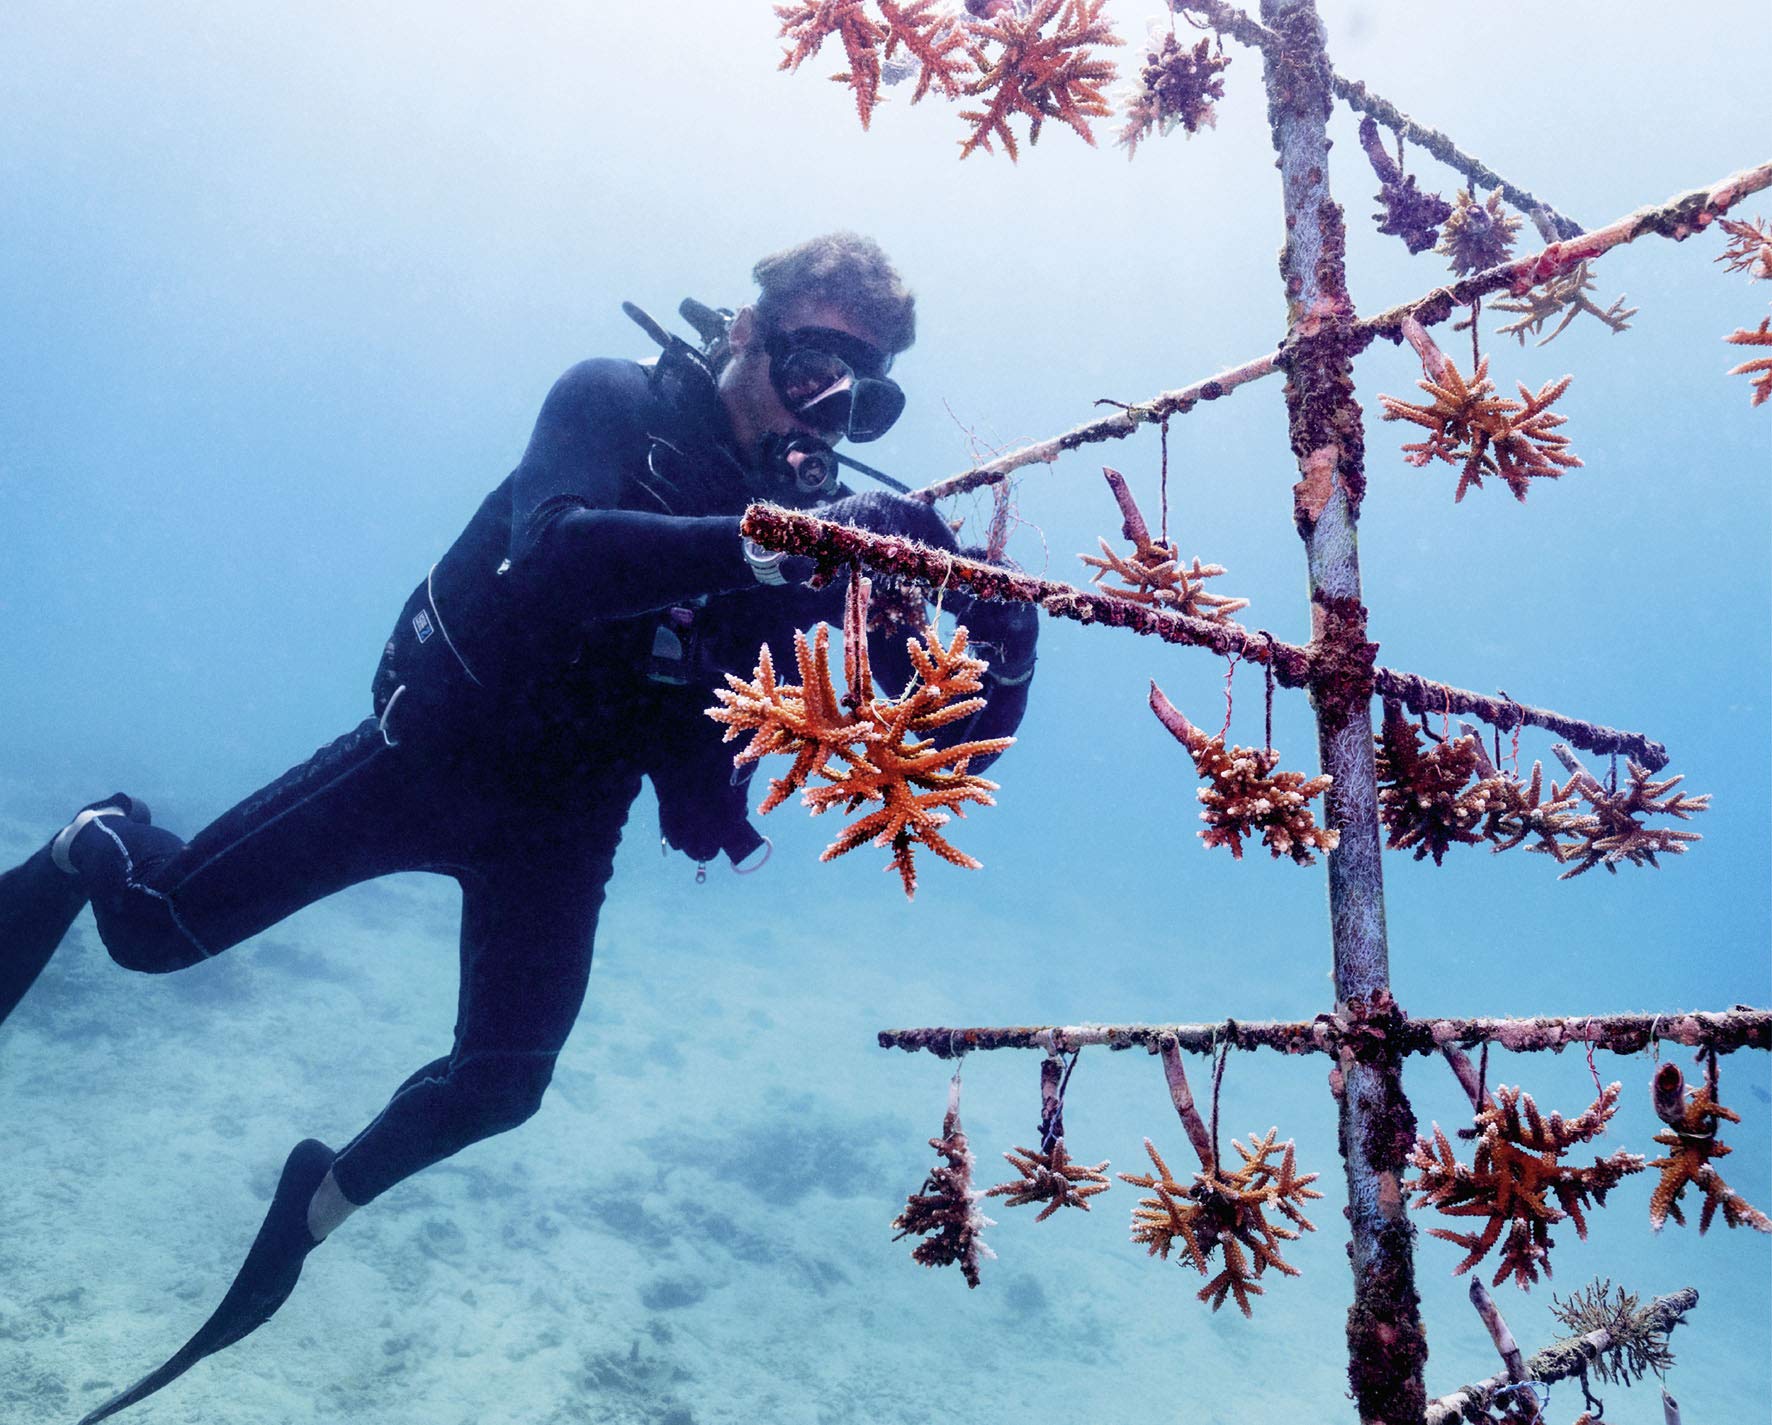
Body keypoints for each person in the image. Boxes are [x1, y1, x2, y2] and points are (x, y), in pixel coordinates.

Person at [0, 232, 1039, 1422]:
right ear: (747, 333)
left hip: (563, 820)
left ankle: (313, 1212)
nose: (833, 410)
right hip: (431, 756)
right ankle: (98, 836)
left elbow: (930, 757)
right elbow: (553, 553)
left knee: (502, 1083)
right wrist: (778, 542)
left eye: (867, 397)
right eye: (814, 368)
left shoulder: (819, 536)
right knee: (157, 939)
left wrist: (1002, 650)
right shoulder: (610, 404)